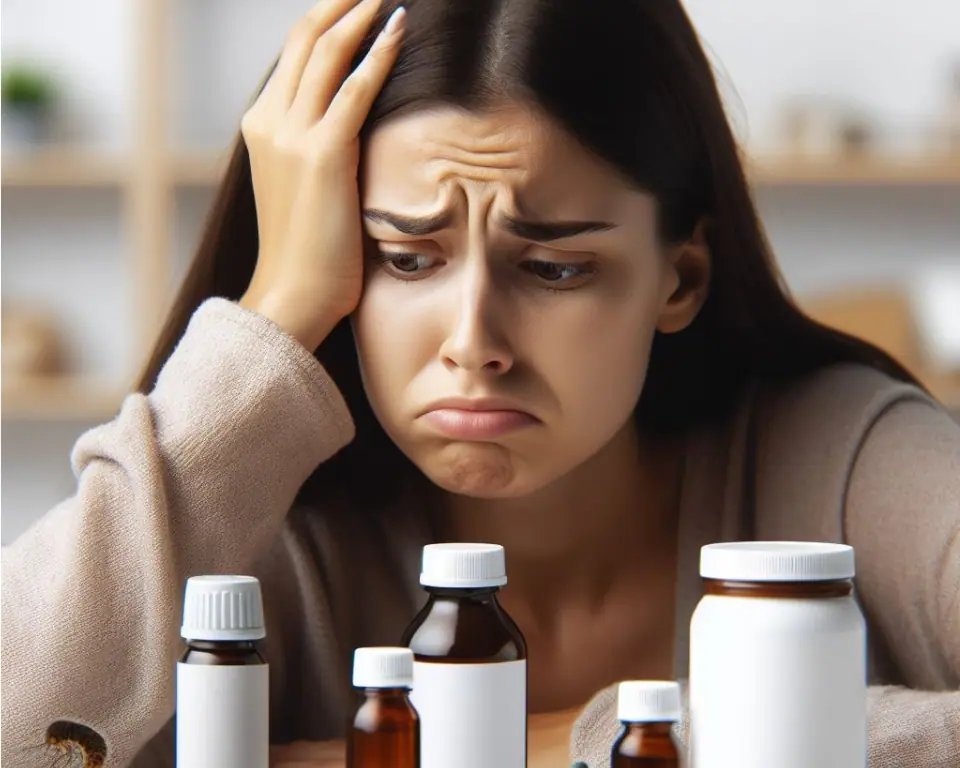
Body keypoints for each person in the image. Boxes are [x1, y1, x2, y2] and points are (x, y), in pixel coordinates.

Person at [2, 0, 958, 766]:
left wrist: (566, 745)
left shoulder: (845, 457)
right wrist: (275, 313)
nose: (474, 344)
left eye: (553, 269)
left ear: (681, 278)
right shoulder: (258, 514)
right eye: (404, 259)